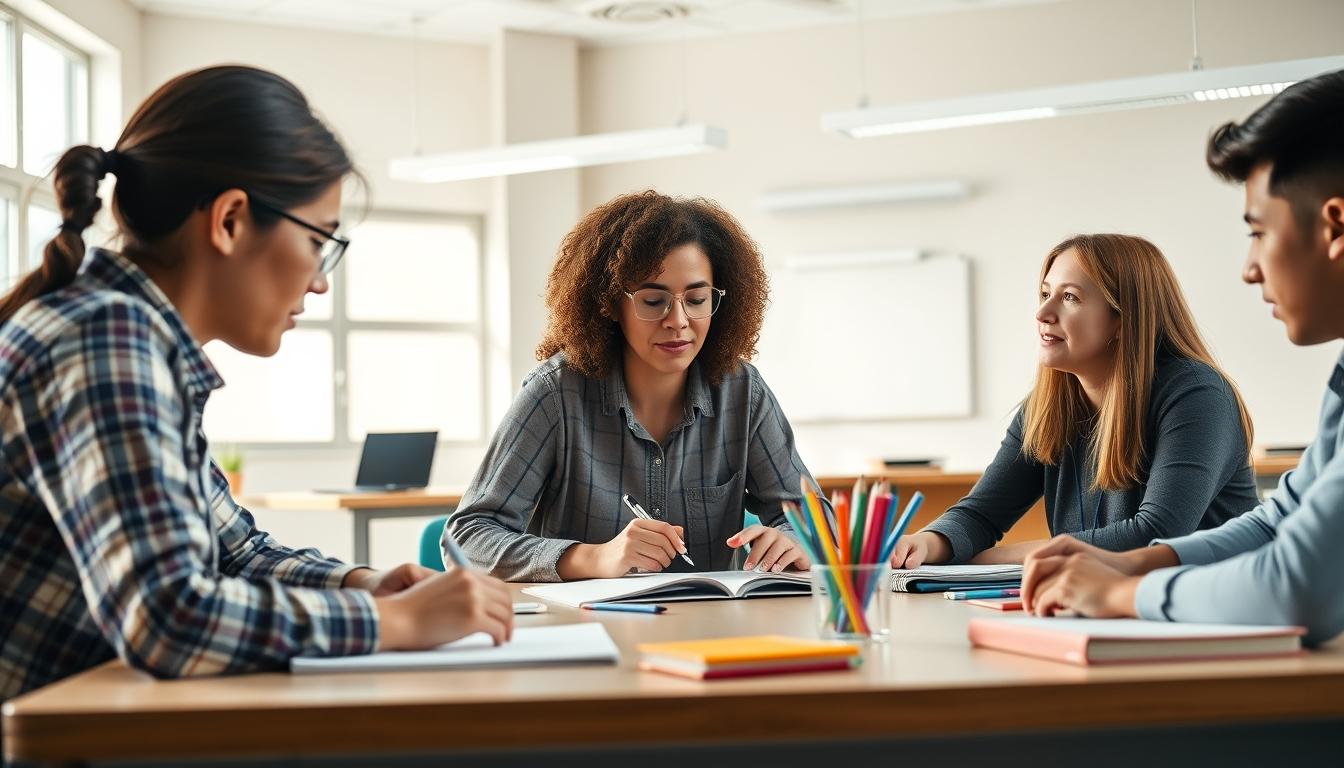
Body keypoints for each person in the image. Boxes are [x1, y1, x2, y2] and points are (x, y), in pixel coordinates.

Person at [0, 66, 512, 701]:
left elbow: (233, 551)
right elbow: (171, 618)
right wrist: (395, 621)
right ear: (232, 220)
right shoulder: (106, 339)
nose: (321, 281)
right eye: (319, 240)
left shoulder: (132, 334)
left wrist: (360, 584)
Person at [1021, 69, 1344, 646]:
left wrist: (1121, 593)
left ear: (1335, 227)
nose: (1250, 268)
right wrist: (1137, 564)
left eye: (1258, 232)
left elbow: (1297, 588)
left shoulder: (1194, 391)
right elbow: (1279, 518)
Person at [446, 190, 813, 581]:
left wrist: (796, 539)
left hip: (710, 634)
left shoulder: (742, 390)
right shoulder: (555, 393)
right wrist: (593, 558)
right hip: (589, 633)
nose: (678, 320)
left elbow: (813, 521)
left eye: (697, 299)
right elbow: (466, 541)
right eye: (653, 301)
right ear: (608, 304)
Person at [891, 234, 1258, 567]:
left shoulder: (1197, 395)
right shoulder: (1049, 407)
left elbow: (1156, 535)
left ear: (1122, 318)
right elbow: (981, 515)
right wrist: (927, 542)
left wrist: (998, 558)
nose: (1042, 313)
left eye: (1069, 297)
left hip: (1207, 623)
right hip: (1111, 615)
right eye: (1045, 293)